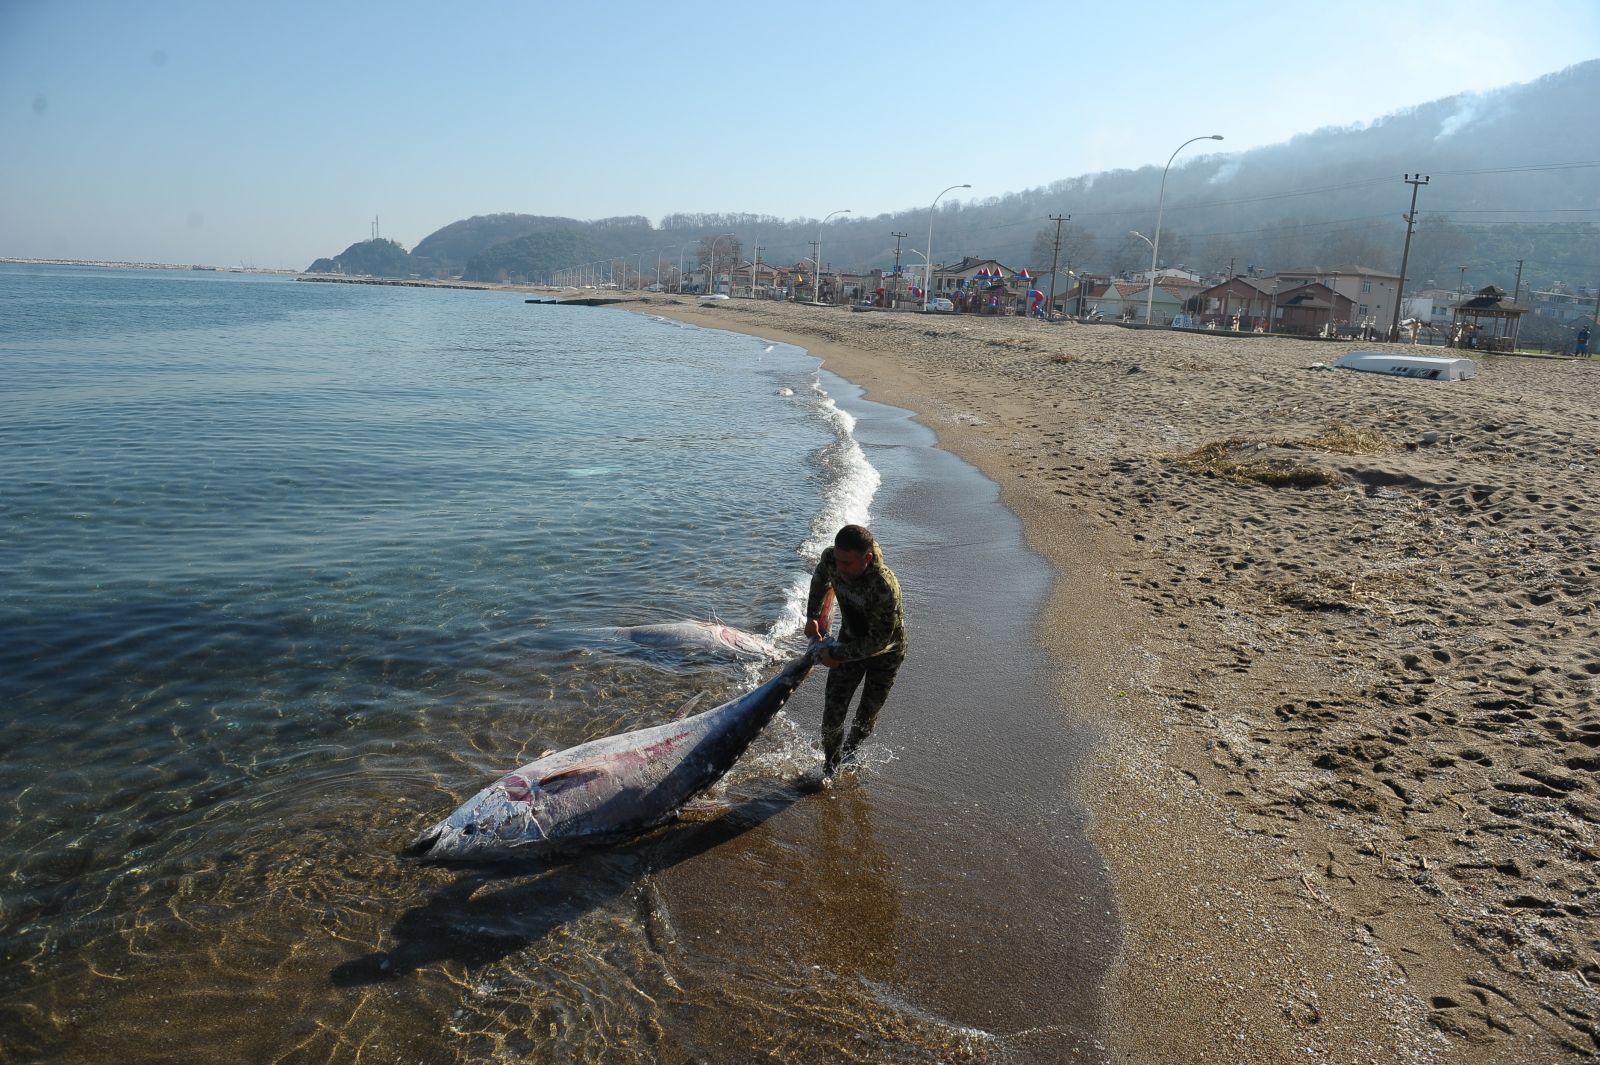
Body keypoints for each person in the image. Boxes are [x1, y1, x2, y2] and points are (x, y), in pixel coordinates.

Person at [804, 524, 907, 777]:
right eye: (838, 560)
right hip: (849, 639)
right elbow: (820, 579)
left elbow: (878, 642)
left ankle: (851, 750)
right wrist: (812, 616)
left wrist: (835, 655)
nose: (840, 568)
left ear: (867, 558)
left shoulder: (884, 586)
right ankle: (830, 767)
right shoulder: (832, 558)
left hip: (885, 654)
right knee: (833, 711)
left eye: (847, 563)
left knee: (866, 715)